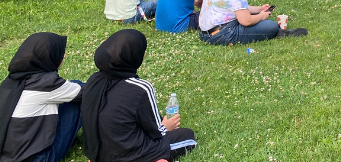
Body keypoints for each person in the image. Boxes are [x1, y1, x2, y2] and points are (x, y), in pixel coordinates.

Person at [81, 30, 197, 162]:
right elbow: (156, 132)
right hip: (130, 154)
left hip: (99, 153)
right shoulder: (140, 88)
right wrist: (166, 126)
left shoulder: (93, 81)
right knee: (188, 136)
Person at [0, 33, 83, 162]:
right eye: (60, 53)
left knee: (69, 94)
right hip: (38, 158)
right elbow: (90, 91)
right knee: (78, 97)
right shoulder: (46, 83)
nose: (64, 56)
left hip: (8, 156)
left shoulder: (12, 80)